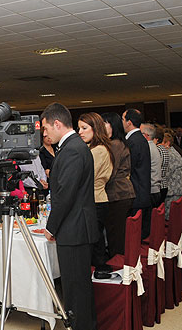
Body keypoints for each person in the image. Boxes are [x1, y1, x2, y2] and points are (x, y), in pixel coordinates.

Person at [41, 103, 98, 330]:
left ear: (57, 124)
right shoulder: (73, 146)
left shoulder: (73, 148)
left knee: (76, 288)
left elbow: (66, 194)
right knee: (76, 287)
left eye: (46, 128)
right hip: (75, 226)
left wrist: (51, 226)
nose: (44, 134)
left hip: (74, 228)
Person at [78, 112, 113, 272]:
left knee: (95, 244)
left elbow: (84, 177)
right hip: (96, 199)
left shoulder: (98, 150)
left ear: (95, 128)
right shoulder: (92, 148)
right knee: (95, 241)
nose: (80, 132)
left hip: (95, 200)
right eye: (79, 128)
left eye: (84, 128)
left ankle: (99, 276)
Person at [101, 112, 136, 257]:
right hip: (122, 193)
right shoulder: (118, 143)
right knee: (117, 234)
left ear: (113, 125)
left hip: (118, 194)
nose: (101, 127)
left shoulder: (114, 144)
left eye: (105, 123)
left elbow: (110, 172)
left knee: (116, 236)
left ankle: (119, 268)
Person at [122, 109, 152, 239]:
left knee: (135, 237)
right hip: (142, 192)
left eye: (122, 119)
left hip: (137, 194)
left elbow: (129, 167)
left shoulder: (134, 141)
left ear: (129, 122)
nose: (121, 122)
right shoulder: (140, 138)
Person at [161, 131, 182, 219]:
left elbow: (166, 174)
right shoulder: (174, 151)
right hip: (177, 192)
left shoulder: (169, 154)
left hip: (173, 194)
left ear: (167, 143)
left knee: (171, 221)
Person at [140, 123, 163, 208]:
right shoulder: (153, 146)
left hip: (151, 190)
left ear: (145, 135)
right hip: (154, 189)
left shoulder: (148, 148)